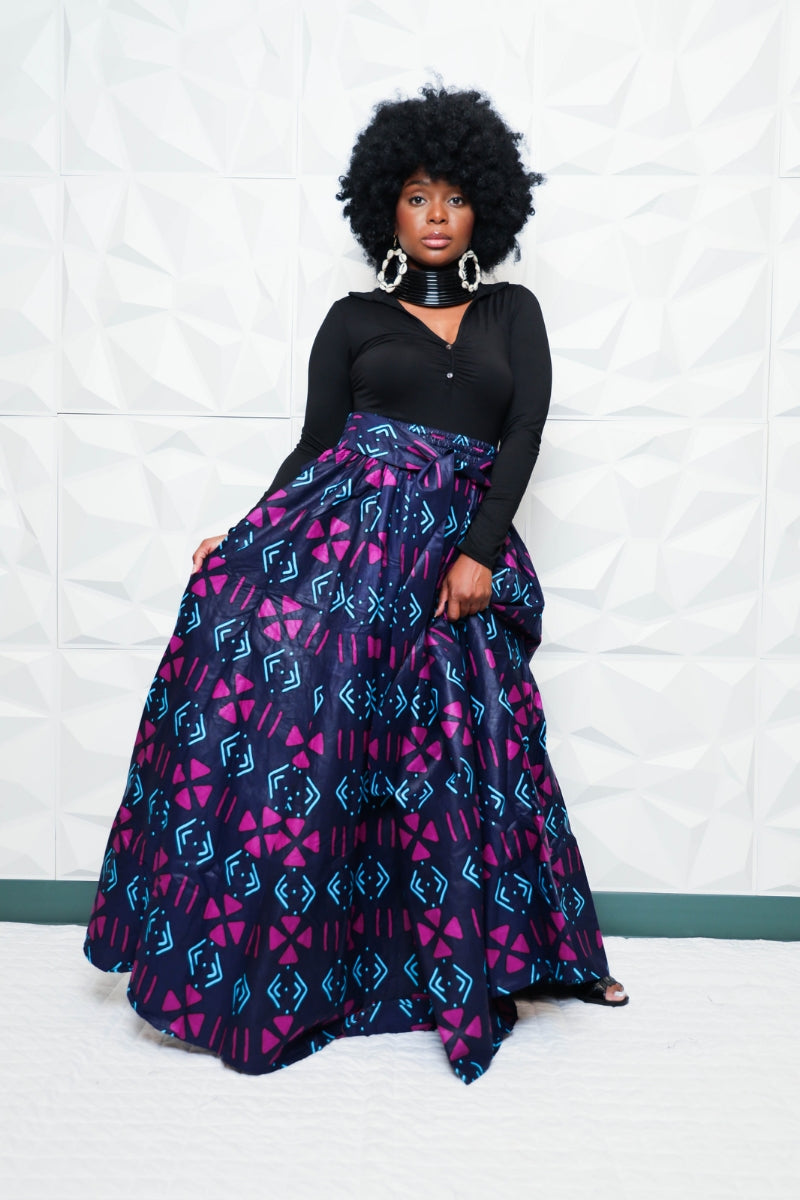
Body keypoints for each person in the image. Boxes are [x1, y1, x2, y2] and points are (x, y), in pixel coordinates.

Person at [84, 84, 628, 1086]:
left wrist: (478, 551)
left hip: (456, 557)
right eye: (416, 196)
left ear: (484, 209)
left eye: (453, 197)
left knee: (487, 745)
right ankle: (319, 961)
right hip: (352, 557)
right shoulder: (351, 320)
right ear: (387, 208)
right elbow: (315, 447)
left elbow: (522, 433)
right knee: (326, 744)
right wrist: (245, 536)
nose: (435, 214)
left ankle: (542, 953)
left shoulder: (513, 312)